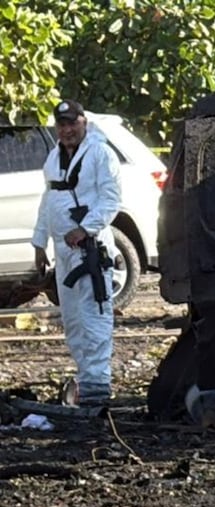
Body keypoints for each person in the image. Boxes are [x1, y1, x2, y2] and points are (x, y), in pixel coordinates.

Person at [32, 100, 122, 406]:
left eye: (72, 123)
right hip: (63, 250)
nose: (67, 130)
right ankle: (86, 380)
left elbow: (111, 200)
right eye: (62, 125)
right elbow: (49, 199)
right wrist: (39, 241)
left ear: (84, 122)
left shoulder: (100, 153)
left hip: (90, 250)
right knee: (72, 320)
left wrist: (85, 229)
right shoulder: (54, 157)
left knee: (94, 315)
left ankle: (98, 384)